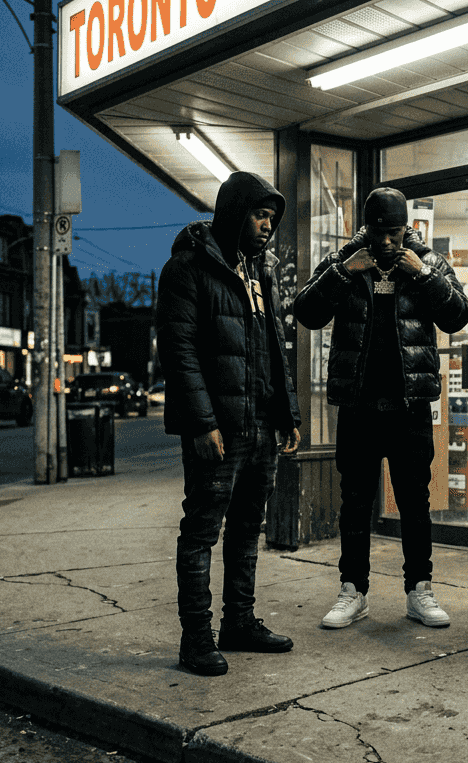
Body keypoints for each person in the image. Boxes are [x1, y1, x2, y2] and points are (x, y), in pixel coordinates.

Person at [294, 187, 468, 631]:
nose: (388, 242)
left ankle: (419, 590)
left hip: (411, 407)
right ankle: (352, 591)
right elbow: (306, 312)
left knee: (415, 502)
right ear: (367, 229)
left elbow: (458, 316)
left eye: (394, 233)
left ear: (405, 227)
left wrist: (423, 275)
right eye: (379, 233)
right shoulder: (346, 260)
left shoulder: (426, 261)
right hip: (358, 406)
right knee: (354, 501)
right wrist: (342, 271)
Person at [156, 171, 302, 677]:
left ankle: (238, 622)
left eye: (272, 219)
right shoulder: (187, 268)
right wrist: (202, 424)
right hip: (219, 430)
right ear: (235, 213)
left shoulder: (260, 271)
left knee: (246, 530)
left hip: (260, 425)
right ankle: (195, 639)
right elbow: (178, 353)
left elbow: (274, 348)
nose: (267, 226)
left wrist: (287, 414)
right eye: (260, 215)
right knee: (201, 532)